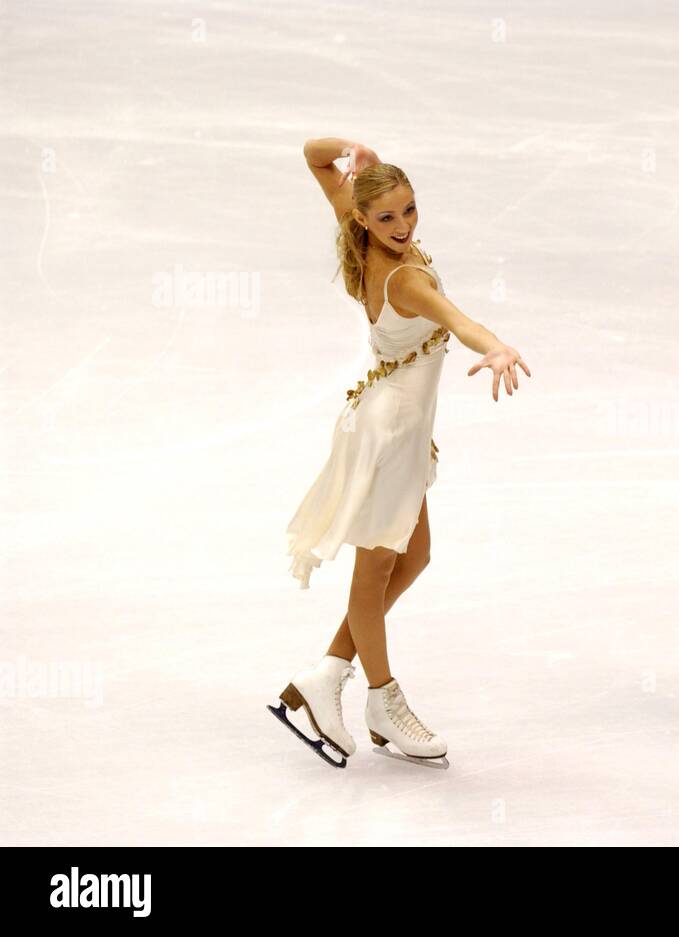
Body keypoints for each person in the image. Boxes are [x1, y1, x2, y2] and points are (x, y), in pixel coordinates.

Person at [273, 138, 531, 767]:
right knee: (376, 571)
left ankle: (329, 673)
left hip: (397, 423)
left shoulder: (357, 234)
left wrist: (350, 151)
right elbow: (459, 318)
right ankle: (382, 698)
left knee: (413, 554)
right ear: (364, 218)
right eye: (387, 217)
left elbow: (314, 156)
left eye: (410, 210)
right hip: (390, 431)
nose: (402, 225)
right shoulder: (407, 277)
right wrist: (494, 346)